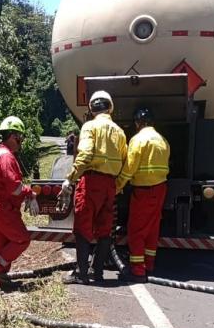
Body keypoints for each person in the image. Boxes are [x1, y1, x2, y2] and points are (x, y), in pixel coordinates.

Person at [59, 91, 127, 284]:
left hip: (90, 182)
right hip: (110, 185)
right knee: (105, 229)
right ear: (110, 107)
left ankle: (82, 273)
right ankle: (98, 273)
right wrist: (117, 185)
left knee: (83, 227)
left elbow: (86, 154)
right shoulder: (119, 132)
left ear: (91, 108)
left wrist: (70, 178)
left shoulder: (90, 126)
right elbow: (125, 160)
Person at [0, 116, 39, 288]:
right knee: (22, 239)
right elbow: (14, 188)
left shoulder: (0, 154)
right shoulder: (6, 157)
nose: (21, 141)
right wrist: (30, 193)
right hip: (2, 207)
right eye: (20, 137)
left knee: (3, 247)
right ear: (14, 136)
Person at [116, 107, 170, 282]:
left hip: (143, 191)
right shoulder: (163, 140)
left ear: (138, 123)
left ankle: (138, 271)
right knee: (152, 228)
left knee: (136, 230)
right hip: (160, 189)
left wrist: (117, 186)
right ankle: (149, 265)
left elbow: (129, 168)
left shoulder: (138, 140)